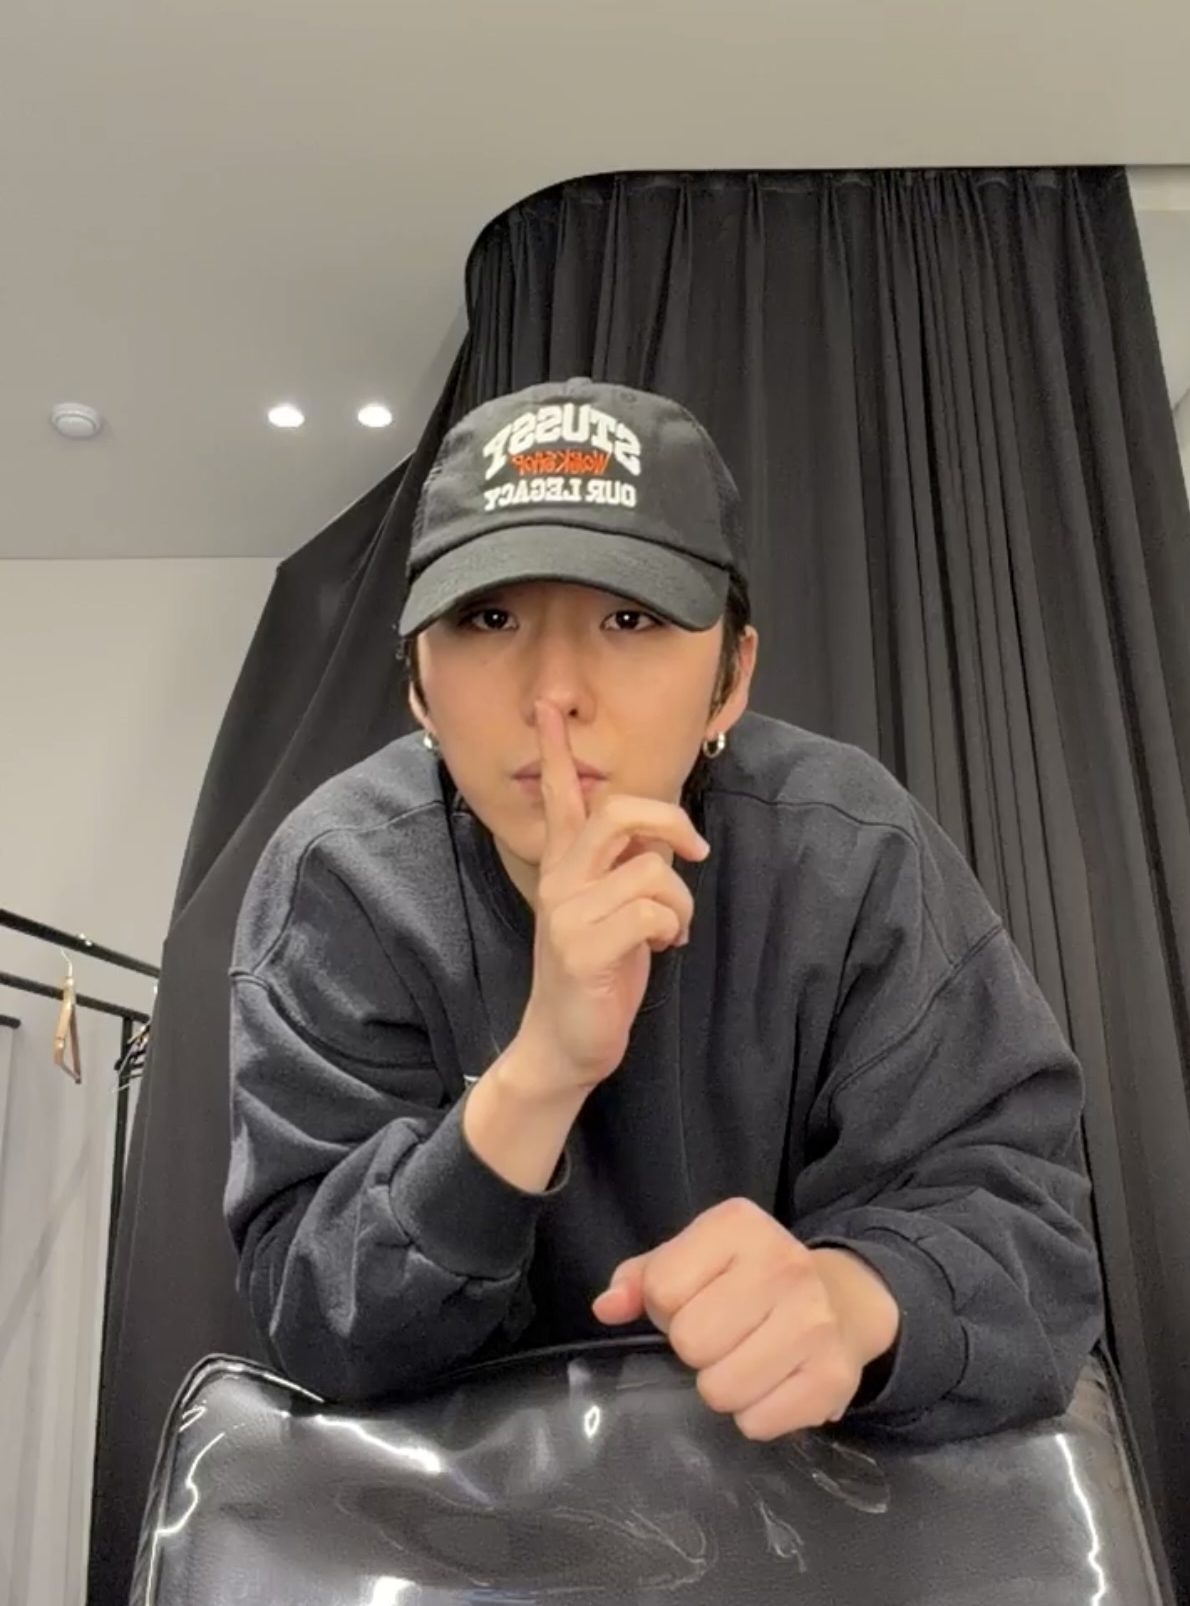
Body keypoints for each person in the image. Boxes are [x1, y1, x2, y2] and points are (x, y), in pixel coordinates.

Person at [224, 378, 1103, 1444]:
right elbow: (315, 1321)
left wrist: (856, 1297)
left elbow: (1034, 1234)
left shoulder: (846, 850)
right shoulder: (343, 878)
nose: (555, 692)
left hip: (807, 1495)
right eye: (489, 617)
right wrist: (541, 1072)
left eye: (629, 617)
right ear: (417, 683)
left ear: (730, 677)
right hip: (453, 1516)